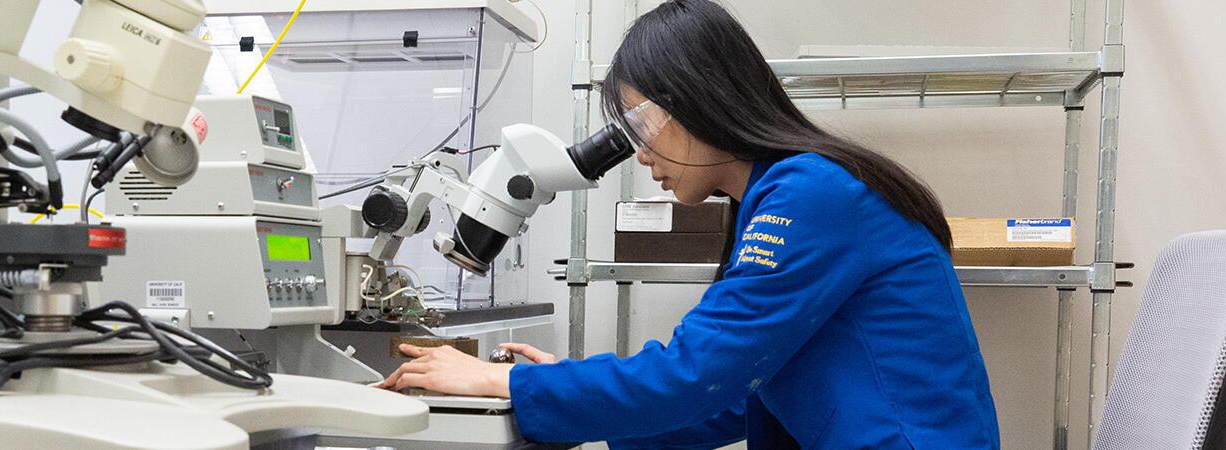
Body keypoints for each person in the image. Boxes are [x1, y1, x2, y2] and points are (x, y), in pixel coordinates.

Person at [380, 0, 1001, 448]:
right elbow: (728, 398)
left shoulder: (811, 192)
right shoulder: (778, 194)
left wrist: (504, 380)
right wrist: (556, 391)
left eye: (641, 127)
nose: (641, 154)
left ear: (696, 95)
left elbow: (694, 374)